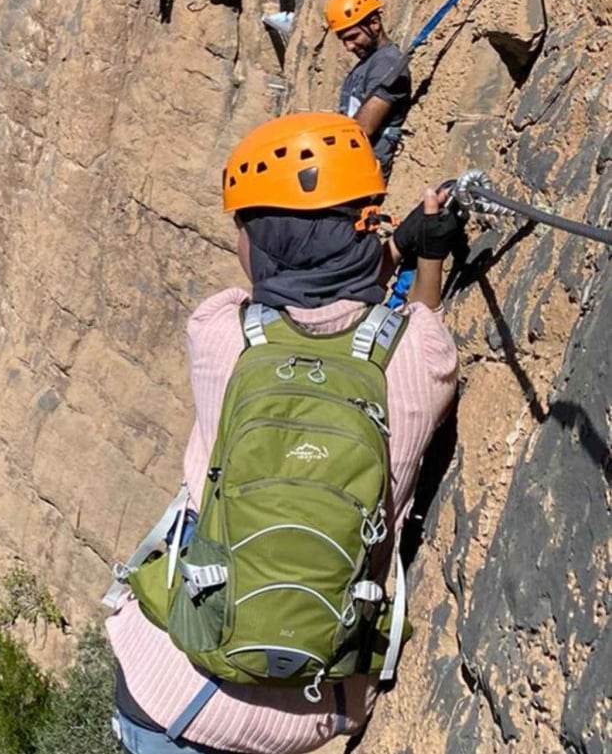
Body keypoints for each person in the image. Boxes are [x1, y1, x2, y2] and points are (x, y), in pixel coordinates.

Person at [104, 112, 461, 754]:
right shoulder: (423, 357)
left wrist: (394, 245)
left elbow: (287, 294)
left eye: (245, 226)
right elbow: (412, 322)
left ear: (268, 240)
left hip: (170, 689)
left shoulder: (218, 334)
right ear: (360, 226)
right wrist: (422, 247)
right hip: (310, 713)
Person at [326, 0, 411, 177]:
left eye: (353, 37)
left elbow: (363, 128)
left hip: (367, 171)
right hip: (353, 165)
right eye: (343, 40)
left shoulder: (387, 62)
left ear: (374, 23)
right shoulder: (367, 63)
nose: (348, 46)